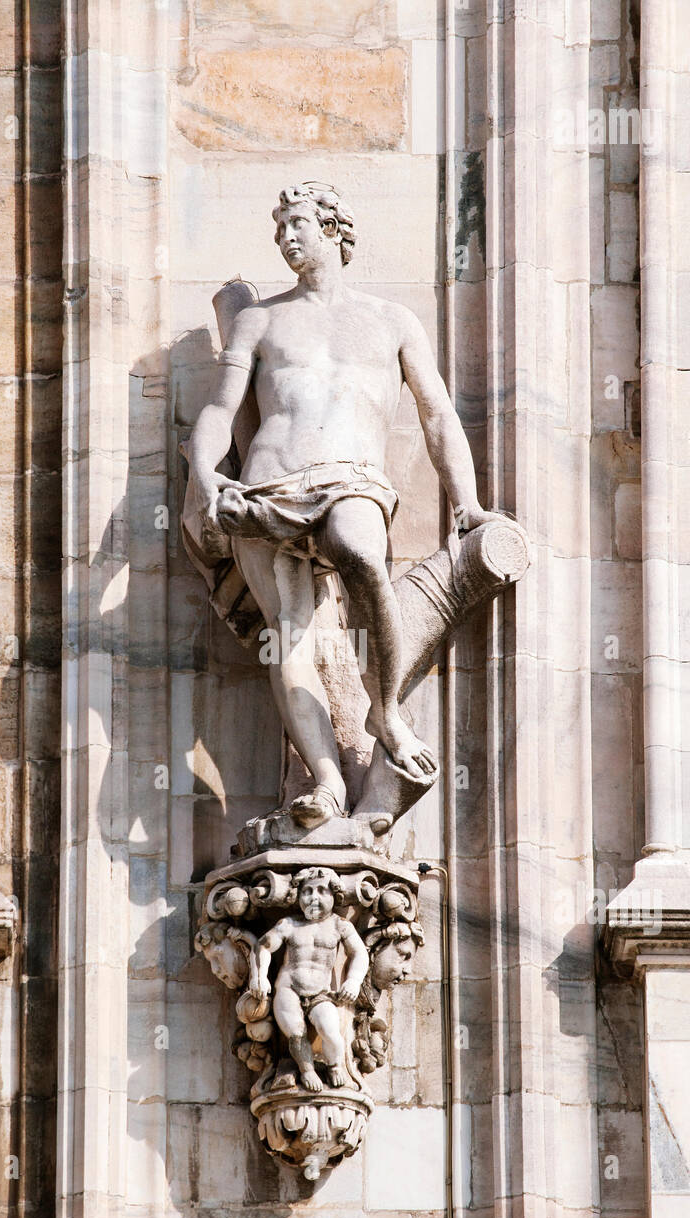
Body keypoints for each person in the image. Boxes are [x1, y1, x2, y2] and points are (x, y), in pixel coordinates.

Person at [188, 181, 497, 828]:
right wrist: (206, 475)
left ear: (333, 228)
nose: (286, 237)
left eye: (297, 222)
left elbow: (438, 414)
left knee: (362, 554)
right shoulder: (259, 318)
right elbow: (221, 409)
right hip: (269, 485)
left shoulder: (389, 321)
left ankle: (384, 709)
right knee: (290, 634)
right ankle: (327, 781)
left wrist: (467, 503)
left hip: (350, 478)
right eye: (279, 230)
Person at [249, 867, 369, 1092]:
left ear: (334, 896)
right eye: (307, 891)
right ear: (297, 896)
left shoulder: (340, 925)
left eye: (322, 891)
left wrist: (353, 981)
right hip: (289, 989)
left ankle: (335, 1065)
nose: (314, 897)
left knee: (332, 1033)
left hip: (321, 993)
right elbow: (263, 946)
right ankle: (307, 1070)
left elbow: (360, 953)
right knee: (296, 1033)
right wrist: (259, 977)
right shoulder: (289, 925)